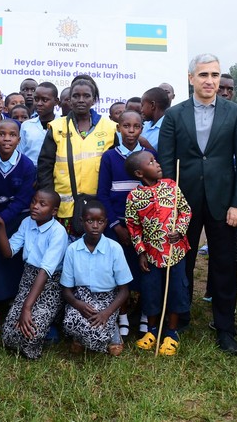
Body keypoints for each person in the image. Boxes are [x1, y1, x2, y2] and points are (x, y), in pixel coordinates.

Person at [158, 53, 237, 355]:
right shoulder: (174, 115)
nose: (210, 81)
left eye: (214, 75)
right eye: (203, 75)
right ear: (191, 79)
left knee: (224, 265)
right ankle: (179, 317)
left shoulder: (234, 113)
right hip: (183, 203)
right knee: (181, 263)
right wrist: (169, 203)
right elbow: (165, 160)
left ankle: (224, 328)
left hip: (223, 203)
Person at [125, 151, 192, 356]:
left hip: (175, 251)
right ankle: (152, 331)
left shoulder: (171, 185)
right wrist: (141, 252)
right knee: (151, 291)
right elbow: (133, 226)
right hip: (152, 254)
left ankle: (171, 333)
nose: (158, 164)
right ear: (139, 172)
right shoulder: (134, 196)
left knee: (176, 290)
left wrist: (179, 231)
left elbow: (186, 210)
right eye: (151, 162)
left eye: (156, 160)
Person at [0, 189, 67, 359]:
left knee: (30, 336)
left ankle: (52, 321)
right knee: (8, 335)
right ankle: (44, 323)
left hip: (48, 284)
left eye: (42, 204)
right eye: (33, 201)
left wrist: (27, 307)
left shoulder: (58, 233)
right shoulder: (27, 223)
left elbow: (45, 272)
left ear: (54, 211)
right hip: (28, 280)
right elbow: (8, 253)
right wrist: (0, 225)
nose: (35, 207)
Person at [37, 78, 117, 234]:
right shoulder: (56, 127)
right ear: (69, 99)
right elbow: (45, 167)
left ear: (94, 100)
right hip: (63, 209)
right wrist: (50, 201)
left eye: (86, 96)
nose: (81, 100)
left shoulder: (110, 128)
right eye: (76, 96)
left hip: (97, 208)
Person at [0, 119, 35, 333]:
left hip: (15, 217)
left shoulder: (27, 165)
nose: (7, 138)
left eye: (12, 135)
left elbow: (22, 199)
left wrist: (1, 219)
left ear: (19, 140)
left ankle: (12, 299)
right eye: (2, 134)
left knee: (15, 256)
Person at [97, 110, 152, 336]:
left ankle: (146, 314)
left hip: (146, 226)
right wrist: (116, 227)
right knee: (119, 271)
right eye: (126, 126)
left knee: (146, 270)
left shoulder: (149, 155)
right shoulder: (109, 157)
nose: (131, 131)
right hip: (118, 225)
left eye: (136, 126)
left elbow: (154, 191)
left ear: (142, 129)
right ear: (118, 128)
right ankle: (121, 316)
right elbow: (103, 194)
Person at [61, 200, 132, 355]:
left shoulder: (114, 248)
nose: (95, 226)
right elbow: (66, 290)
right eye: (89, 221)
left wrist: (106, 313)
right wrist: (78, 304)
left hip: (107, 300)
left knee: (97, 334)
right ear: (82, 222)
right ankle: (83, 336)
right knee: (69, 323)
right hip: (81, 298)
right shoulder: (72, 250)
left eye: (100, 222)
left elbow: (124, 291)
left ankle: (113, 332)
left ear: (105, 223)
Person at [18, 82, 59, 166]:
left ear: (56, 102)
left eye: (45, 100)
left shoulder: (63, 124)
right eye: (36, 99)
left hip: (56, 172)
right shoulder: (26, 125)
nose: (39, 103)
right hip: (31, 172)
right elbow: (20, 153)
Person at [140, 87, 169, 152]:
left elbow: (164, 157)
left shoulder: (168, 128)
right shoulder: (145, 125)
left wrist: (144, 142)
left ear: (153, 105)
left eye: (142, 105)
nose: (141, 110)